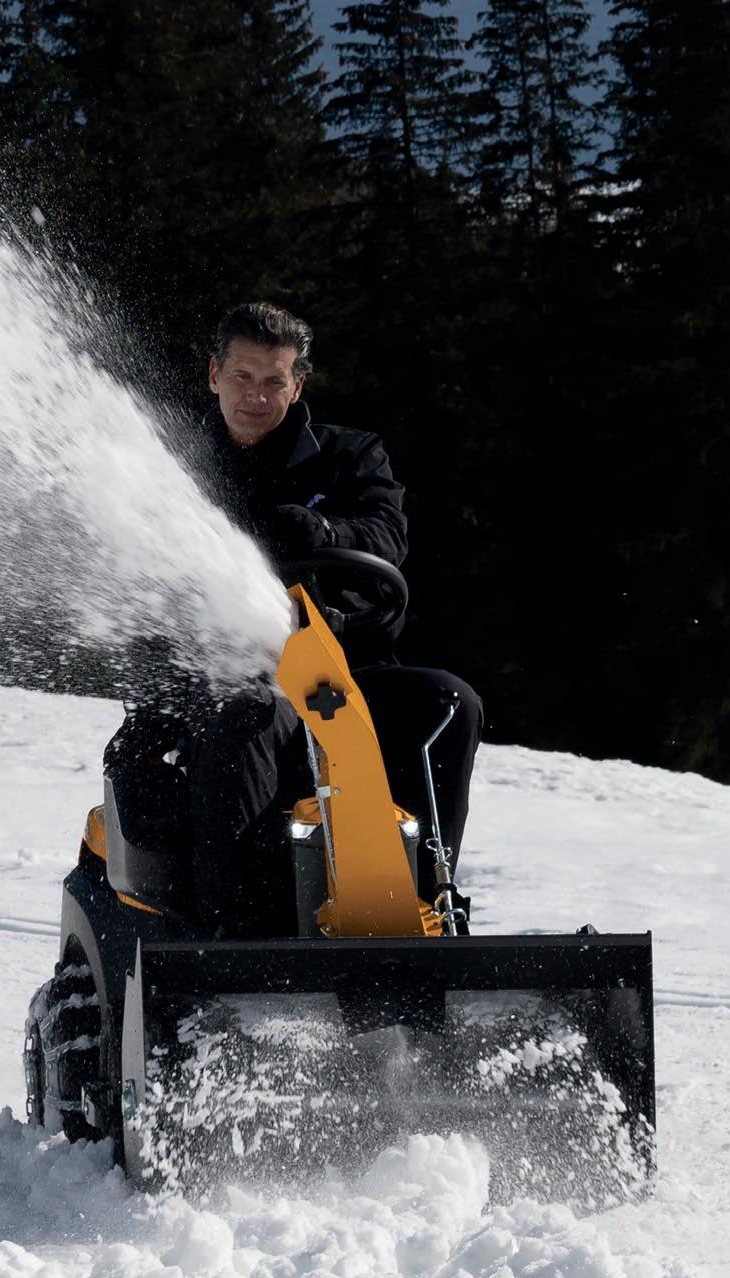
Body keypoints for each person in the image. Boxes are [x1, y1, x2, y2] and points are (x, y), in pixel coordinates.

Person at [108, 302, 482, 936]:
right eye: (242, 377)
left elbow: (385, 536)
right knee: (248, 714)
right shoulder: (174, 468)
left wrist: (324, 531)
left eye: (274, 381)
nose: (257, 396)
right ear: (214, 376)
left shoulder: (349, 457)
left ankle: (420, 903)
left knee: (448, 703)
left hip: (343, 669)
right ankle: (236, 935)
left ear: (297, 385)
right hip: (229, 677)